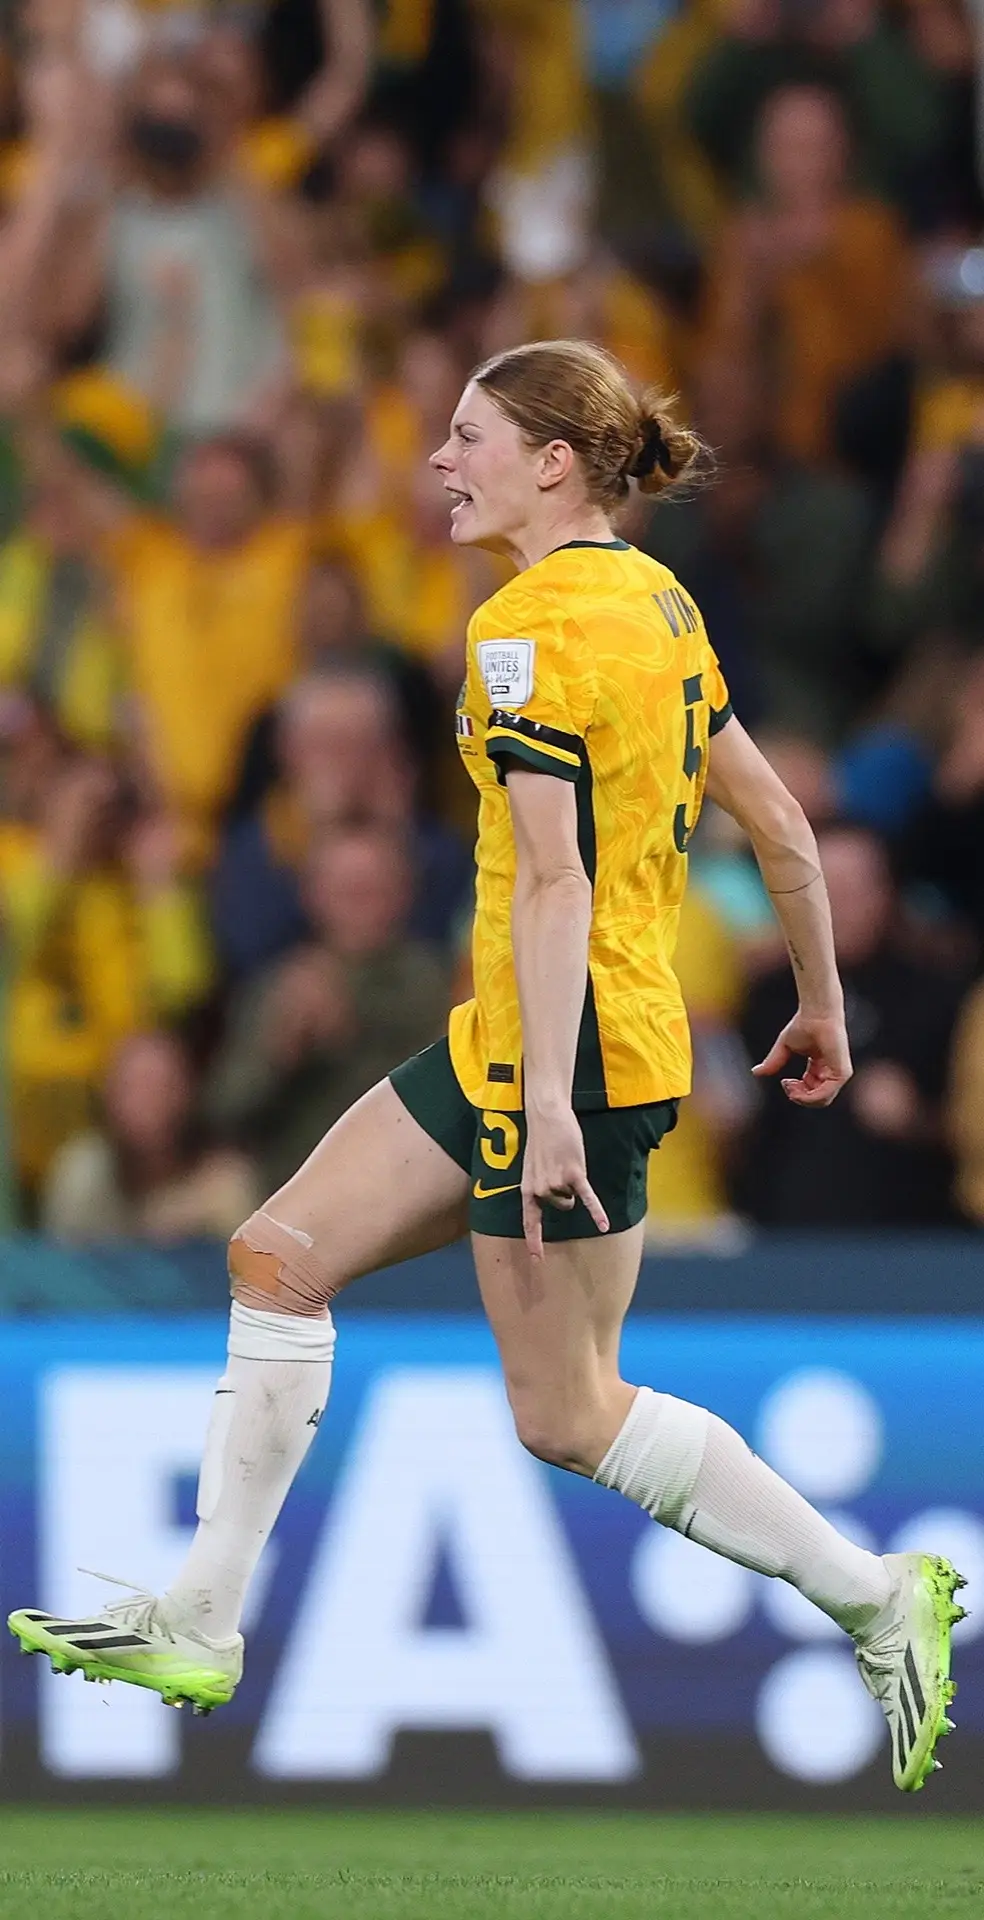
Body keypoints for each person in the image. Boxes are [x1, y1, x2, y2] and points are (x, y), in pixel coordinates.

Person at [9, 338, 963, 1794]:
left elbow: (552, 885)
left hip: (560, 1058)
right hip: (531, 1041)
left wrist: (552, 1106)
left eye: (466, 436)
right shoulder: (658, 600)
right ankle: (200, 1618)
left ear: (551, 461)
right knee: (276, 1258)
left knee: (570, 1413)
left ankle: (872, 1593)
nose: (441, 462)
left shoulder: (522, 633)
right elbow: (776, 821)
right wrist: (823, 1000)